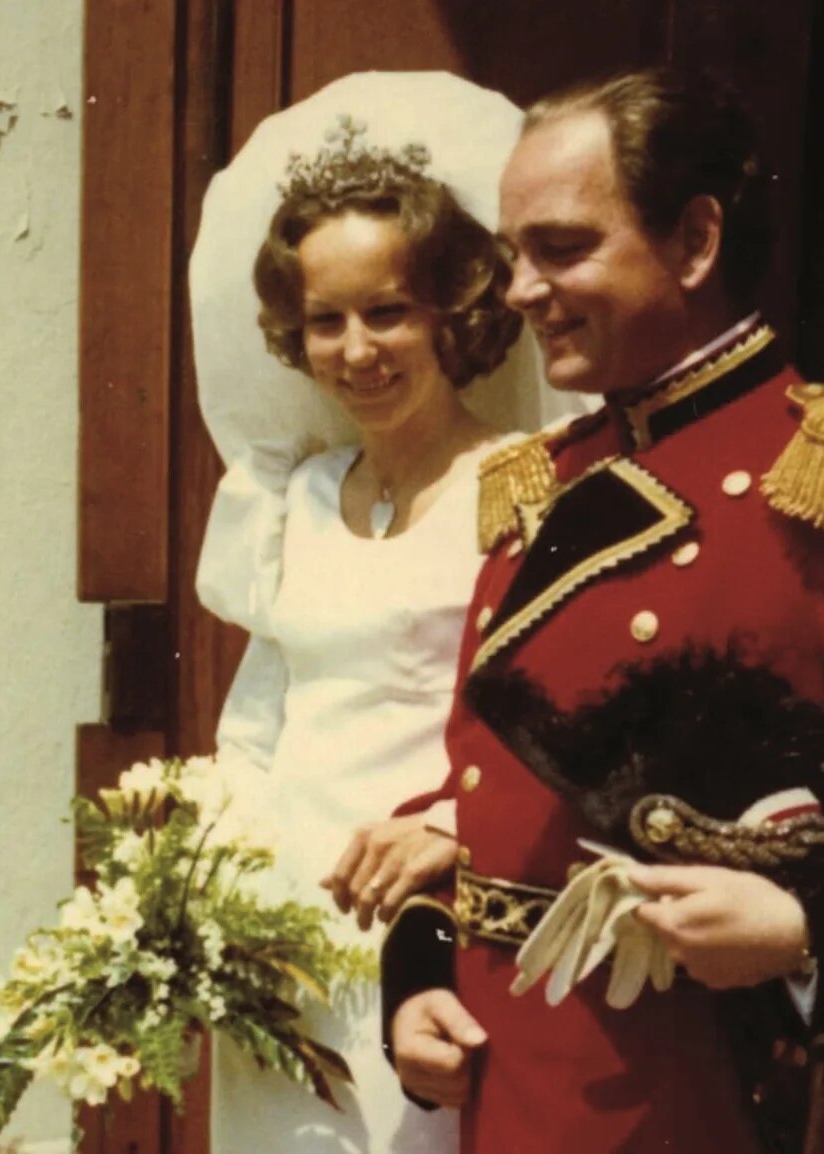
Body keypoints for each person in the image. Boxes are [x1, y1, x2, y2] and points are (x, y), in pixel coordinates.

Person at [381, 68, 824, 1154]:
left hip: (709, 1106)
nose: (518, 289)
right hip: (514, 1095)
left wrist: (808, 924)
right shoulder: (548, 481)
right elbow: (495, 798)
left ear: (695, 242)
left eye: (561, 249)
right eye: (514, 253)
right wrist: (418, 973)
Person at [190, 72, 588, 1154]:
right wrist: (204, 883)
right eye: (325, 320)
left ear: (452, 314)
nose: (356, 350)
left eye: (387, 311)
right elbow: (257, 720)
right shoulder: (295, 498)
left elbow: (565, 722)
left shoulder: (521, 486)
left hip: (436, 905)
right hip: (282, 928)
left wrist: (457, 834)